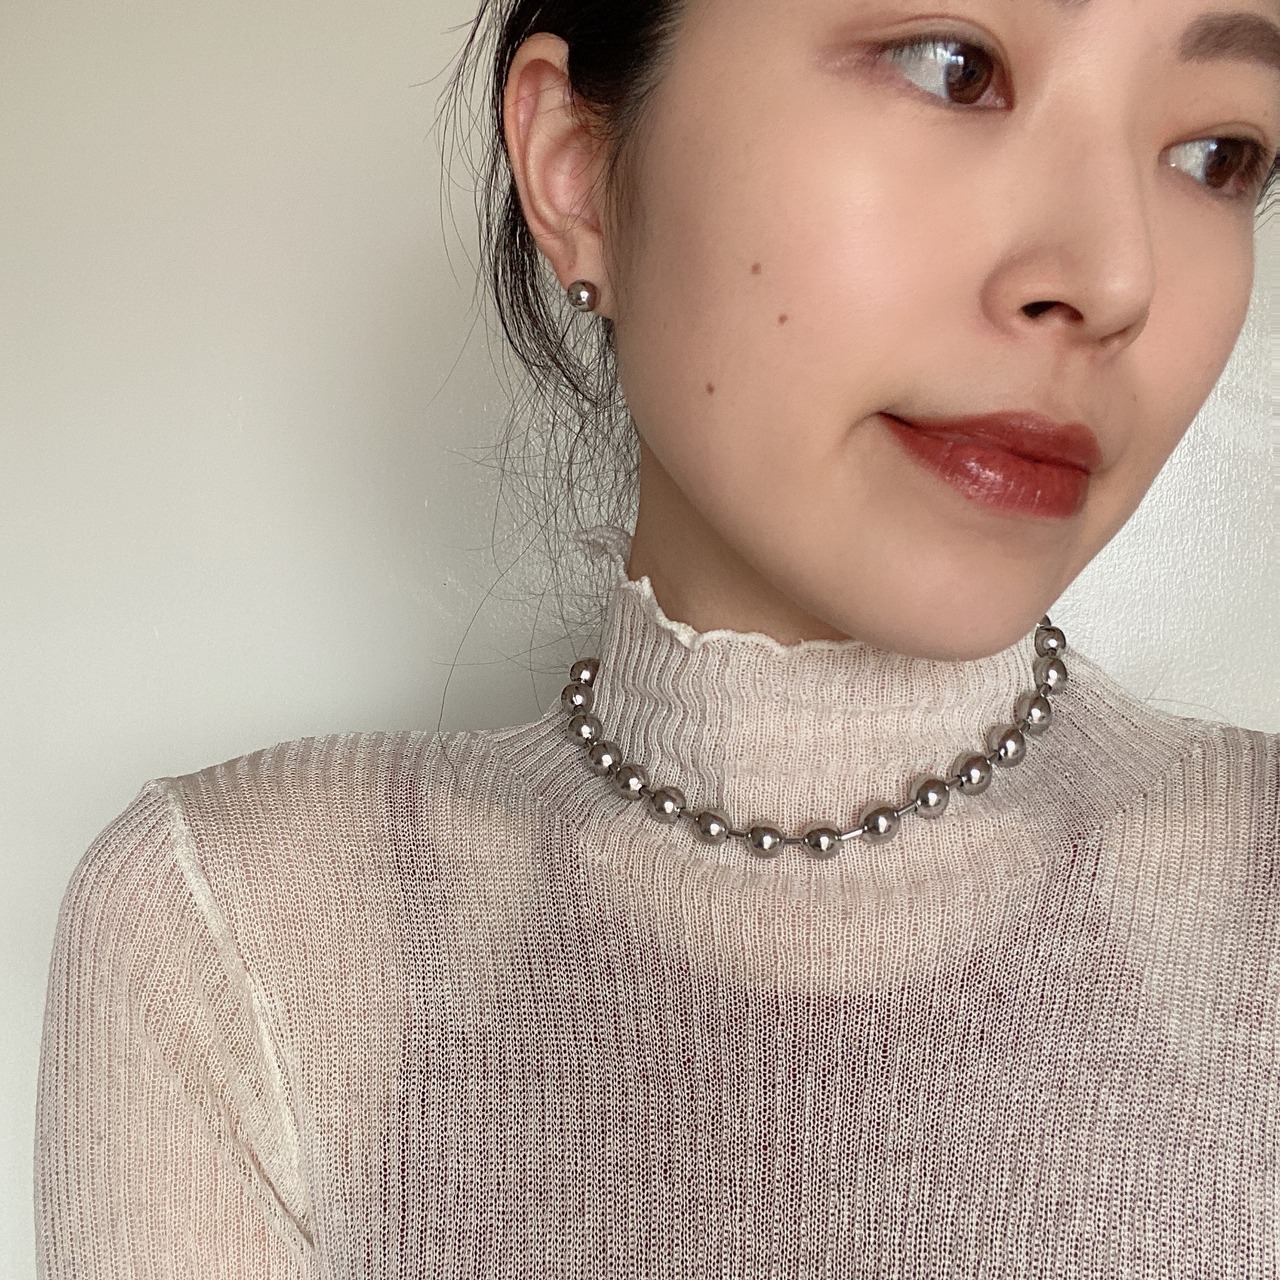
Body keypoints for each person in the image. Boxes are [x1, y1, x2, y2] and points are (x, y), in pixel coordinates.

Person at [33, 0, 1280, 1274]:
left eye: (1219, 154)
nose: (1113, 279)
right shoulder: (241, 942)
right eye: (952, 68)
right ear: (575, 167)